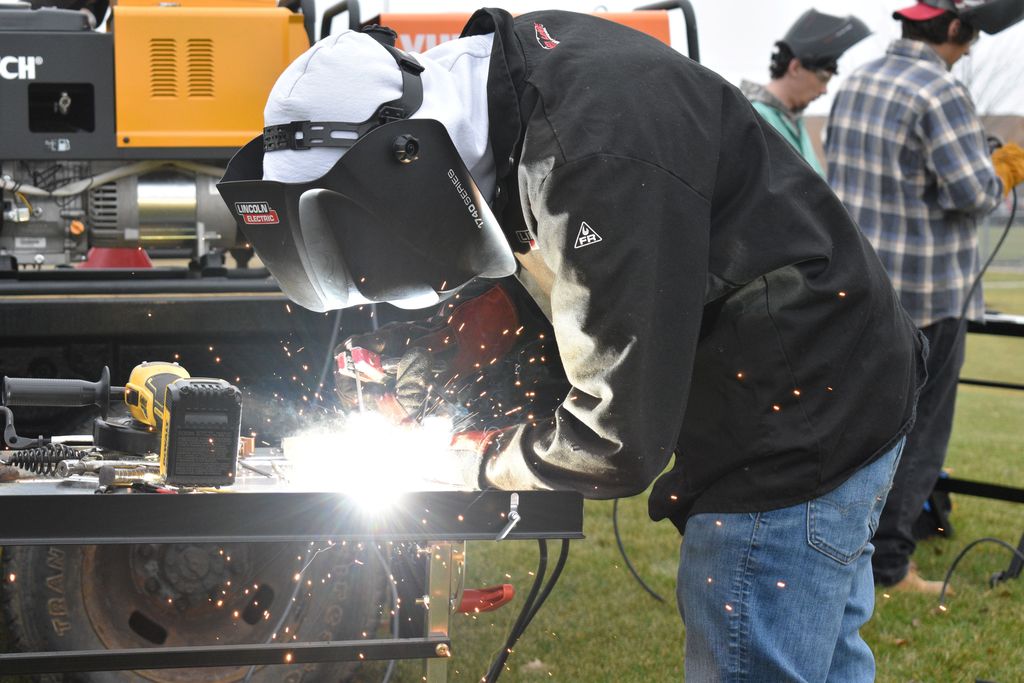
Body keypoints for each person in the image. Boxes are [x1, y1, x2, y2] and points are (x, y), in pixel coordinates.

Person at [219, 9, 925, 680]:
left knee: (753, 631)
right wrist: (443, 358)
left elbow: (616, 440)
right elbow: (544, 273)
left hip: (800, 408)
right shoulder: (505, 92)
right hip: (843, 372)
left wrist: (473, 459)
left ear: (396, 154)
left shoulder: (585, 156)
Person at [825, 0, 1024, 594]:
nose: (970, 51)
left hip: (863, 293)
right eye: (969, 40)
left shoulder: (857, 82)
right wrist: (1005, 170)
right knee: (919, 436)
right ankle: (890, 568)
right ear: (955, 29)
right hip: (931, 301)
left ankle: (846, 553)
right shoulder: (940, 92)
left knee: (864, 432)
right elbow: (972, 194)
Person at [741, 9, 869, 174]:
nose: (824, 90)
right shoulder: (758, 118)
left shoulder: (791, 119)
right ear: (795, 67)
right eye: (823, 78)